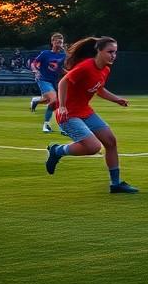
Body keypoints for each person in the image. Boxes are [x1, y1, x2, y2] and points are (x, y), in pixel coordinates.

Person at [44, 36, 137, 193]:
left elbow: (99, 89)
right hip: (69, 114)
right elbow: (63, 82)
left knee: (111, 142)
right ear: (99, 51)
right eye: (110, 52)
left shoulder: (105, 68)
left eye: (115, 52)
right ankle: (57, 150)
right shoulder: (86, 66)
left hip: (85, 111)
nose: (113, 55)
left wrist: (117, 99)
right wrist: (62, 107)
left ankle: (116, 184)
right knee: (93, 147)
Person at [28, 32, 66, 133]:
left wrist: (70, 74)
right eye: (57, 42)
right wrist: (35, 71)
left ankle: (36, 101)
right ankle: (47, 125)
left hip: (54, 81)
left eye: (61, 42)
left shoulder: (63, 55)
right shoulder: (45, 53)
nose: (59, 44)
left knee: (53, 102)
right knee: (54, 100)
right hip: (43, 79)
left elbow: (60, 69)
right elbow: (34, 63)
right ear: (52, 42)